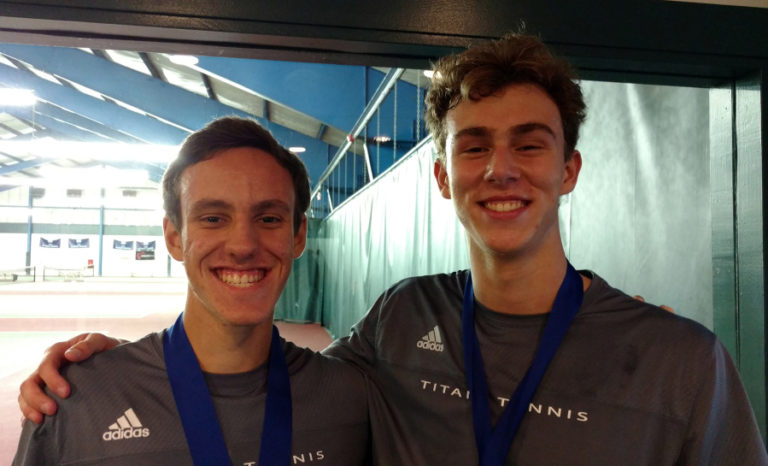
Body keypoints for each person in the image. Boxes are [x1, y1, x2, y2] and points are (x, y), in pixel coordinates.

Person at [18, 33, 768, 465]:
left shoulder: (682, 363)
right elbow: (243, 375)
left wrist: (656, 335)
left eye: (529, 145)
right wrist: (122, 366)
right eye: (473, 147)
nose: (500, 169)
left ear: (568, 169)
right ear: (443, 177)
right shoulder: (402, 321)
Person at [13, 117, 370, 465]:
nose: (243, 245)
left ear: (298, 236)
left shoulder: (350, 397)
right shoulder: (76, 398)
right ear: (174, 238)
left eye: (269, 219)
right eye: (213, 218)